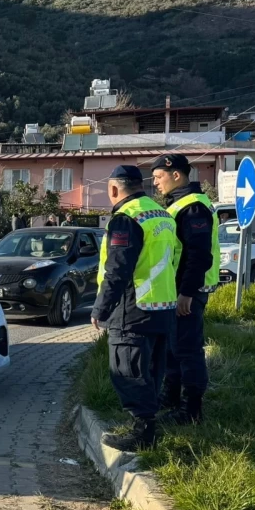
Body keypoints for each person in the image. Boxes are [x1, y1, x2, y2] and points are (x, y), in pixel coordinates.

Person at [90, 165, 180, 451]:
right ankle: (148, 426)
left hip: (133, 306)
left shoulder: (126, 218)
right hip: (162, 305)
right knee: (152, 370)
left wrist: (100, 309)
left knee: (127, 370)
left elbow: (117, 269)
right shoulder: (161, 214)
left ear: (114, 189)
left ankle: (143, 432)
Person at [151, 153, 217, 425]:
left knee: (187, 350)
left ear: (175, 175)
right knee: (174, 349)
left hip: (187, 293)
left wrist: (186, 293)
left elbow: (198, 255)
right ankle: (172, 398)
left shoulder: (193, 207)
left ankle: (191, 411)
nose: (155, 183)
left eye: (158, 177)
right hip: (177, 291)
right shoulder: (179, 204)